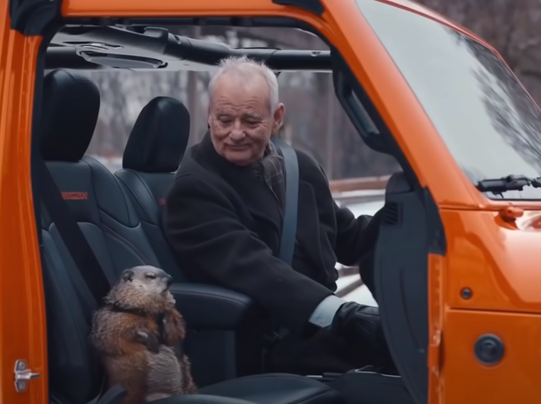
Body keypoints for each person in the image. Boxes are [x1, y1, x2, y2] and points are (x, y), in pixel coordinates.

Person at [163, 56, 389, 375]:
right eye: (224, 119)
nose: (236, 133)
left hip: (319, 328)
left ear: (277, 116)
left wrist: (403, 210)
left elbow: (349, 238)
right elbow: (259, 271)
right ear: (209, 115)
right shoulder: (195, 190)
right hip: (266, 341)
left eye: (251, 121)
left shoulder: (299, 168)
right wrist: (343, 315)